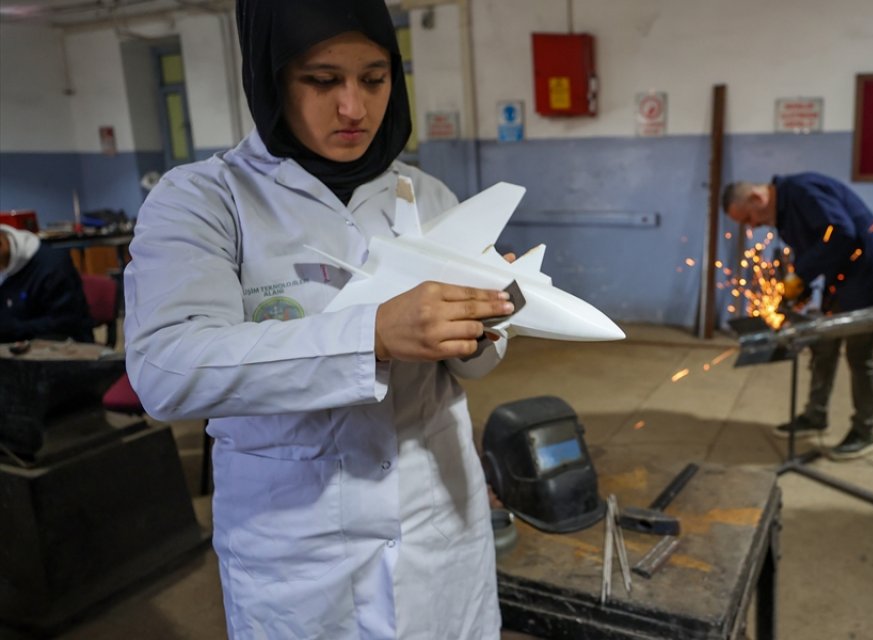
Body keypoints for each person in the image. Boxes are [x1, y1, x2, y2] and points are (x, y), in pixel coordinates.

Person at [124, 1, 514, 636]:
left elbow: (471, 368)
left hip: (436, 530)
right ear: (272, 76)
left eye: (375, 77)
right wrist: (373, 335)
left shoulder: (428, 195)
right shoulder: (205, 200)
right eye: (322, 80)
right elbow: (168, 368)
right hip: (299, 558)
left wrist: (483, 323)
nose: (354, 108)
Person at [723, 173, 873, 459]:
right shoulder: (784, 213)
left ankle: (864, 431)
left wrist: (800, 277)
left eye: (749, 218)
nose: (753, 226)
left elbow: (841, 234)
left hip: (868, 274)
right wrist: (799, 291)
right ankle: (816, 414)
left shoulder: (802, 191)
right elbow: (815, 250)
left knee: (859, 354)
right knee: (824, 344)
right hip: (843, 276)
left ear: (757, 198)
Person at [0, 224, 94, 344]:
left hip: (65, 343)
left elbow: (65, 322)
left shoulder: (53, 267)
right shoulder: (7, 266)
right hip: (21, 337)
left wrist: (12, 329)